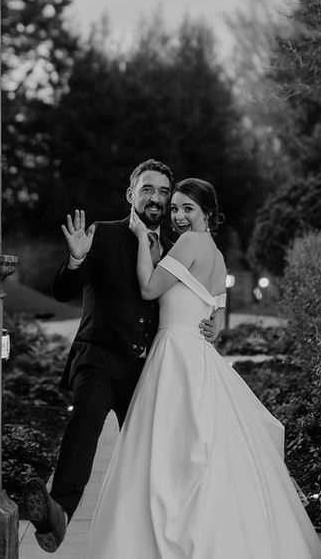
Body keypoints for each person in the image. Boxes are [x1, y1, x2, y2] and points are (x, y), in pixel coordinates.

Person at [86, 177, 321, 559]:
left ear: (208, 213)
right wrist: (211, 320)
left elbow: (149, 289)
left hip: (175, 354)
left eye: (188, 209)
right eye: (176, 207)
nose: (178, 216)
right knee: (198, 449)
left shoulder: (190, 243)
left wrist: (140, 237)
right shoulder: (216, 253)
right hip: (197, 352)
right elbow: (217, 313)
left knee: (168, 452)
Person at [24, 159, 218, 553]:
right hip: (98, 358)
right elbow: (63, 291)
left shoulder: (174, 247)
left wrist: (214, 321)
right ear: (130, 194)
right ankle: (57, 513)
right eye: (148, 189)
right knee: (85, 425)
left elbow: (201, 294)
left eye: (164, 192)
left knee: (153, 450)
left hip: (144, 371)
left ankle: (158, 531)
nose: (157, 199)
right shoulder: (105, 235)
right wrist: (77, 258)